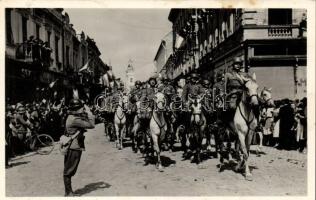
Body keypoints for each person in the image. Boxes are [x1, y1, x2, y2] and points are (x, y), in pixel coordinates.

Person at [63, 99, 95, 196]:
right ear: (77, 109)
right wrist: (89, 111)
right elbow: (91, 124)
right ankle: (68, 193)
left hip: (72, 146)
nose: (83, 109)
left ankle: (69, 192)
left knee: (69, 169)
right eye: (81, 108)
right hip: (74, 147)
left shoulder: (72, 117)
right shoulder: (74, 119)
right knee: (68, 171)